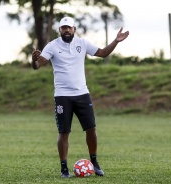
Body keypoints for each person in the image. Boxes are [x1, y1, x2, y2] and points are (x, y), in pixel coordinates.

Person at [31, 16, 129, 177]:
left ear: (74, 29)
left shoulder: (82, 43)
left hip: (82, 94)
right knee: (64, 132)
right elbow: (37, 65)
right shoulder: (52, 46)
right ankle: (64, 169)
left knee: (91, 129)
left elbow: (103, 53)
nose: (67, 30)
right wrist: (33, 60)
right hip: (62, 96)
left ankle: (95, 163)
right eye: (64, 28)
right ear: (60, 30)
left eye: (69, 27)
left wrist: (116, 41)